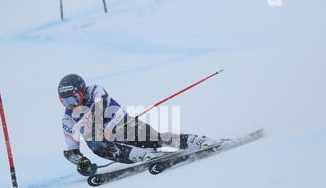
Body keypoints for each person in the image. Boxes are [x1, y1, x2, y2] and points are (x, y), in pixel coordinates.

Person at [58, 74, 219, 176]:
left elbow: (102, 104)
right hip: (108, 144)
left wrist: (94, 124)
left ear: (82, 91)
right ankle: (144, 155)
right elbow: (71, 150)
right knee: (96, 144)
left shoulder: (94, 90)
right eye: (65, 101)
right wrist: (81, 163)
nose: (70, 104)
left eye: (73, 99)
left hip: (125, 126)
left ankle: (196, 141)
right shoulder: (67, 119)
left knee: (156, 139)